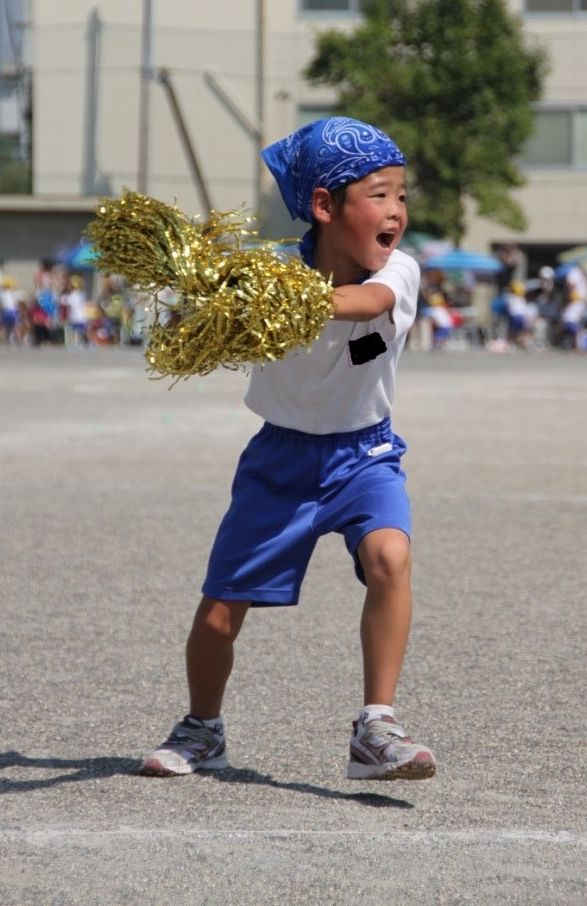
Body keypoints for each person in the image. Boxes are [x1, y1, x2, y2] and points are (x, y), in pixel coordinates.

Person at [139, 116, 436, 782]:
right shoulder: (268, 271)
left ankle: (376, 726)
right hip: (279, 462)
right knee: (218, 616)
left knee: (391, 555)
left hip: (366, 454)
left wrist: (287, 301)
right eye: (379, 194)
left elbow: (365, 303)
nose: (396, 211)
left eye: (400, 195)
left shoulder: (400, 272)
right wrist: (208, 303)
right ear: (325, 207)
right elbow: (202, 320)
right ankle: (201, 729)